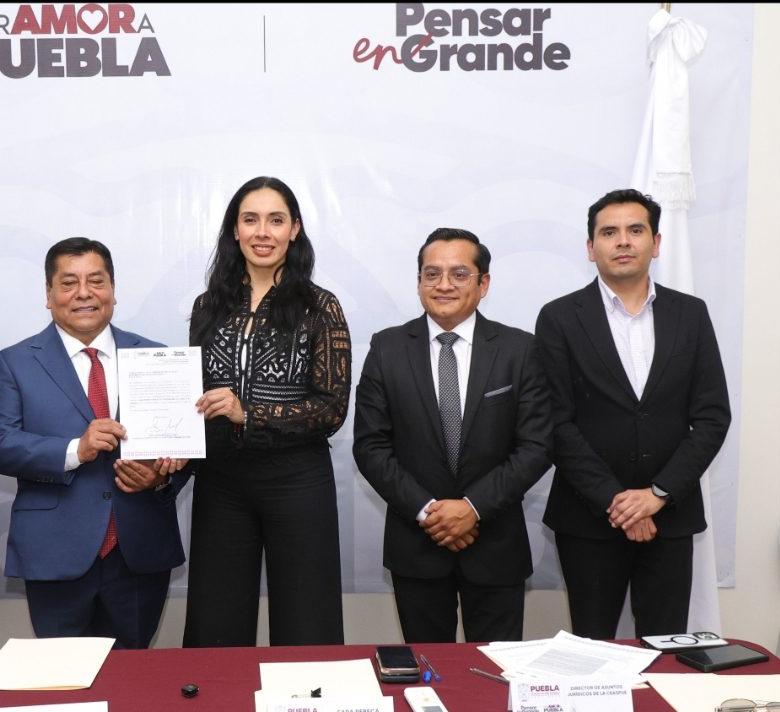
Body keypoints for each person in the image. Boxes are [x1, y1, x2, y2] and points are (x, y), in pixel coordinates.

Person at [535, 188, 731, 638]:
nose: (623, 241)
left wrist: (656, 495)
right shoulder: (559, 318)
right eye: (609, 232)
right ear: (591, 248)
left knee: (666, 648)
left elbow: (712, 417)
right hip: (587, 517)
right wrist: (618, 502)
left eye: (635, 230)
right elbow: (555, 423)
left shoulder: (691, 314)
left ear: (655, 243)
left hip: (671, 515)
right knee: (592, 648)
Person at [0, 237, 185, 649]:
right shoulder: (15, 362)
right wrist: (76, 449)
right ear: (49, 295)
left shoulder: (157, 358)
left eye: (96, 281)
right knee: (62, 676)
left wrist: (161, 477)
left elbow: (183, 449)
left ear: (112, 289)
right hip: (55, 552)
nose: (84, 293)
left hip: (139, 552)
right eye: (69, 283)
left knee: (132, 674)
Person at [353, 228, 552, 643]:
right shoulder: (387, 348)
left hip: (495, 544)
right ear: (419, 282)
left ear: (484, 284)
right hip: (417, 545)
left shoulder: (519, 349)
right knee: (428, 671)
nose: (444, 284)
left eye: (459, 274)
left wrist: (472, 508)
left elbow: (536, 446)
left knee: (494, 671)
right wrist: (428, 511)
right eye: (432, 274)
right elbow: (371, 447)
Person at [183, 176, 351, 647]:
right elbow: (193, 397)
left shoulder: (321, 307)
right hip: (221, 481)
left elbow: (332, 408)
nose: (262, 232)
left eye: (275, 220)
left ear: (294, 229)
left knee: (306, 625)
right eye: (250, 220)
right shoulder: (207, 306)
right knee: (214, 626)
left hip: (297, 481)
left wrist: (250, 413)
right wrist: (171, 443)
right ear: (234, 230)